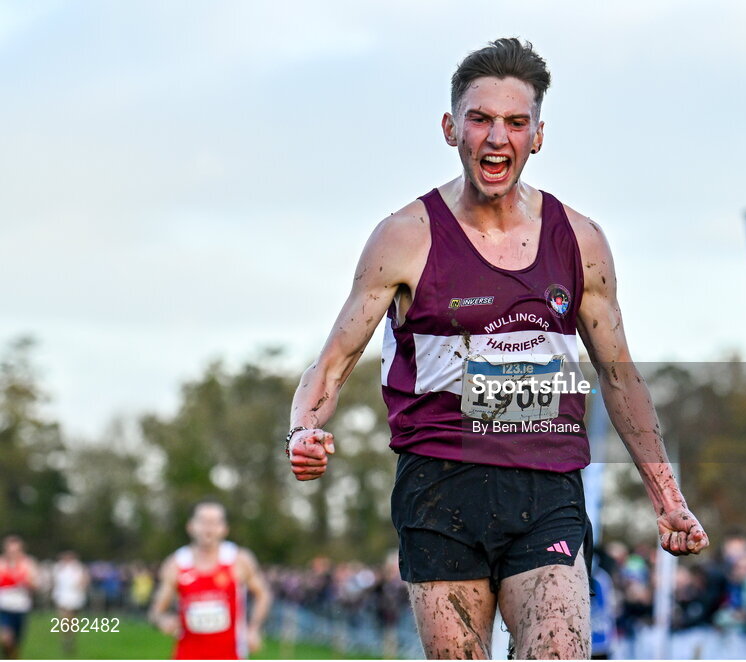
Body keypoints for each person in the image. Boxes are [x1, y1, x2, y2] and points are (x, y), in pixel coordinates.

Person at [285, 37, 709, 659]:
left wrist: (668, 500)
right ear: (451, 127)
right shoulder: (405, 238)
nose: (496, 137)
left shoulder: (580, 240)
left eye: (515, 122)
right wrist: (302, 429)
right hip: (439, 489)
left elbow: (620, 380)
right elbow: (332, 363)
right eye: (480, 119)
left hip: (548, 487)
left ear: (538, 135)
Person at [149, 501, 272, 660]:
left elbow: (263, 594)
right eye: (202, 521)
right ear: (190, 526)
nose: (209, 527)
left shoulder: (239, 560)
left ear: (224, 528)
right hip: (187, 655)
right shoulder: (176, 564)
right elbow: (156, 611)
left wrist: (254, 628)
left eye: (215, 522)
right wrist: (163, 620)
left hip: (231, 655)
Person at [0, 536, 37, 660]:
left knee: (15, 644)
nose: (13, 554)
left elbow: (35, 585)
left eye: (16, 551)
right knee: (6, 639)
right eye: (11, 551)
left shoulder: (28, 564)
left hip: (21, 607)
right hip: (4, 607)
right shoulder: (1, 564)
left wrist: (24, 580)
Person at [51, 550, 89, 656]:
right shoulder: (59, 568)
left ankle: (69, 637)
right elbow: (55, 581)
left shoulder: (78, 568)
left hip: (74, 597)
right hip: (62, 597)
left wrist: (81, 585)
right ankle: (66, 637)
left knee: (71, 620)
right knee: (64, 618)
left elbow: (84, 580)